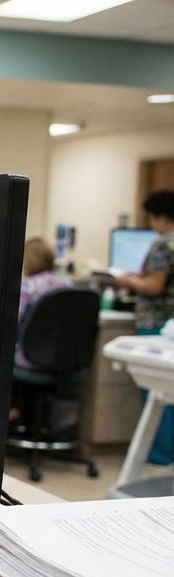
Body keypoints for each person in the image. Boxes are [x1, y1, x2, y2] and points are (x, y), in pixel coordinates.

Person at [114, 190, 174, 464]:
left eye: (152, 219)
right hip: (170, 325)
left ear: (162, 217)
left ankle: (158, 453)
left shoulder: (163, 244)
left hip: (156, 323)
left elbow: (155, 285)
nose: (151, 225)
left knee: (156, 392)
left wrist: (128, 281)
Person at [15, 236, 73, 368]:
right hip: (64, 358)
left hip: (30, 358)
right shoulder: (67, 284)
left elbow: (13, 322)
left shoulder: (28, 286)